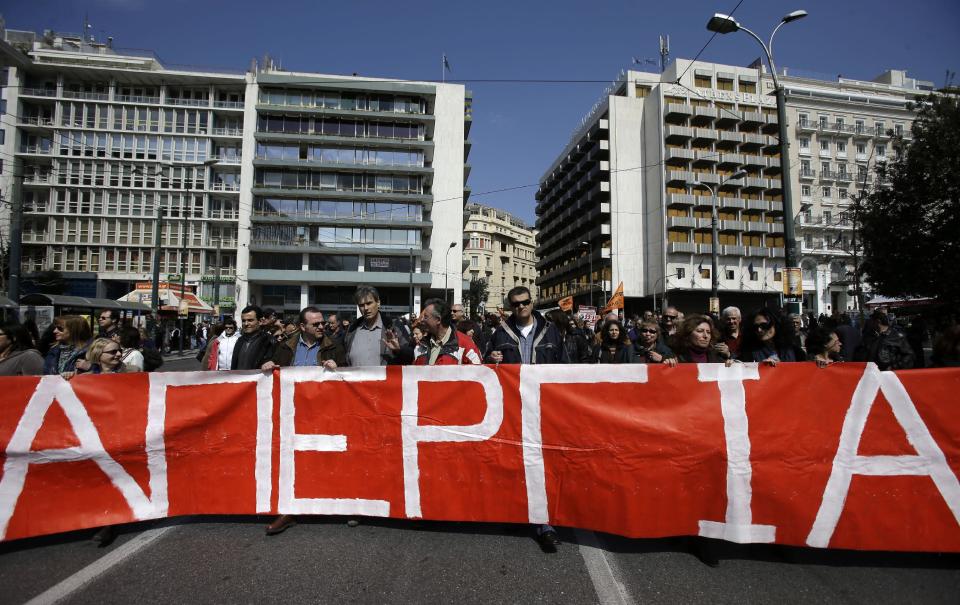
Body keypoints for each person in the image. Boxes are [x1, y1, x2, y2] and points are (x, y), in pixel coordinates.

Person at [485, 286, 566, 553]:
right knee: (513, 463)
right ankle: (517, 512)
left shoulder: (552, 331)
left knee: (542, 465)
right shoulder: (499, 334)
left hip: (544, 409)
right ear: (510, 306)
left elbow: (565, 369)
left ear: (533, 303)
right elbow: (485, 371)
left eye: (525, 302)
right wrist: (491, 358)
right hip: (511, 410)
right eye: (515, 304)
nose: (521, 307)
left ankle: (545, 524)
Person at [263, 306, 347, 536]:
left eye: (323, 323)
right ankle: (288, 511)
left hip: (324, 416)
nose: (322, 327)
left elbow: (349, 378)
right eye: (316, 324)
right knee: (290, 462)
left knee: (326, 459)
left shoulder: (334, 347)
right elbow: (273, 370)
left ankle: (335, 504)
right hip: (291, 416)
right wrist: (268, 367)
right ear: (302, 327)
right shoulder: (284, 347)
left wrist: (338, 369)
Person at [344, 285, 410, 367]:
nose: (365, 308)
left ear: (378, 303)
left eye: (369, 303)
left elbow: (410, 357)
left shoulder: (394, 326)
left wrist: (399, 351)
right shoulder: (352, 329)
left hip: (387, 379)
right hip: (355, 379)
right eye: (361, 305)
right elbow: (345, 361)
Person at [409, 299, 481, 365]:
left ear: (438, 320)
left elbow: (478, 374)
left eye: (426, 317)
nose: (421, 320)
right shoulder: (421, 345)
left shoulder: (465, 344)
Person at [741, 308, 807, 366]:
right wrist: (761, 367)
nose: (759, 330)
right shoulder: (749, 351)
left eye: (764, 325)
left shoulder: (792, 348)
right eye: (755, 327)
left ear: (775, 324)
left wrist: (815, 359)